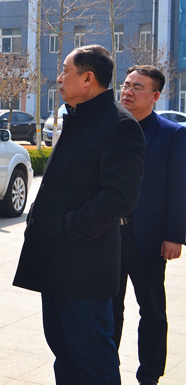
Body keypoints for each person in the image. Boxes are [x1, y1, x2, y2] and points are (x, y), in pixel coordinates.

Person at [13, 45, 146, 385]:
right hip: (56, 260)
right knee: (65, 354)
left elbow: (121, 196)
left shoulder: (119, 124)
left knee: (93, 361)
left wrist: (71, 228)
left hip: (84, 266)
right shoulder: (77, 117)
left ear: (88, 79)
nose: (58, 78)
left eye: (65, 71)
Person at [114, 65, 186, 385]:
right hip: (108, 234)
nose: (127, 91)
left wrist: (174, 235)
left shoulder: (172, 133)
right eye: (126, 85)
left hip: (148, 236)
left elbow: (179, 187)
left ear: (155, 96)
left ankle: (150, 375)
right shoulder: (111, 127)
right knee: (108, 309)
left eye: (137, 87)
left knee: (153, 311)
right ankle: (105, 370)